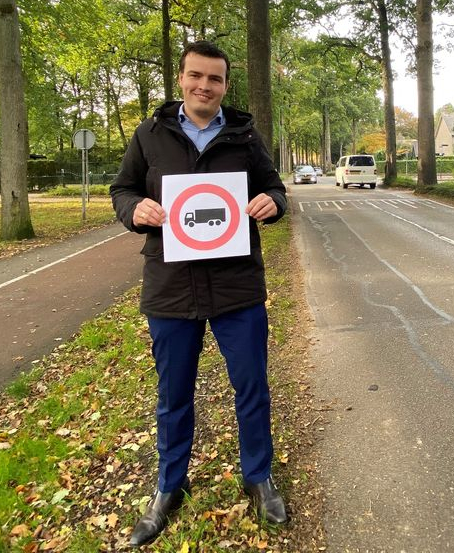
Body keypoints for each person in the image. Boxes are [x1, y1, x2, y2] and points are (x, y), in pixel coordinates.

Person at [109, 40, 289, 548]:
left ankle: (258, 478)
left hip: (237, 287)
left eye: (214, 79)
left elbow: (277, 191)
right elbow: (122, 190)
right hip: (170, 286)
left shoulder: (245, 137)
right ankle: (170, 485)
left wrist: (270, 204)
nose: (204, 86)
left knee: (252, 388)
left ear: (225, 86)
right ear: (181, 78)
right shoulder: (148, 135)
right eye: (195, 76)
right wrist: (134, 211)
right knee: (173, 396)